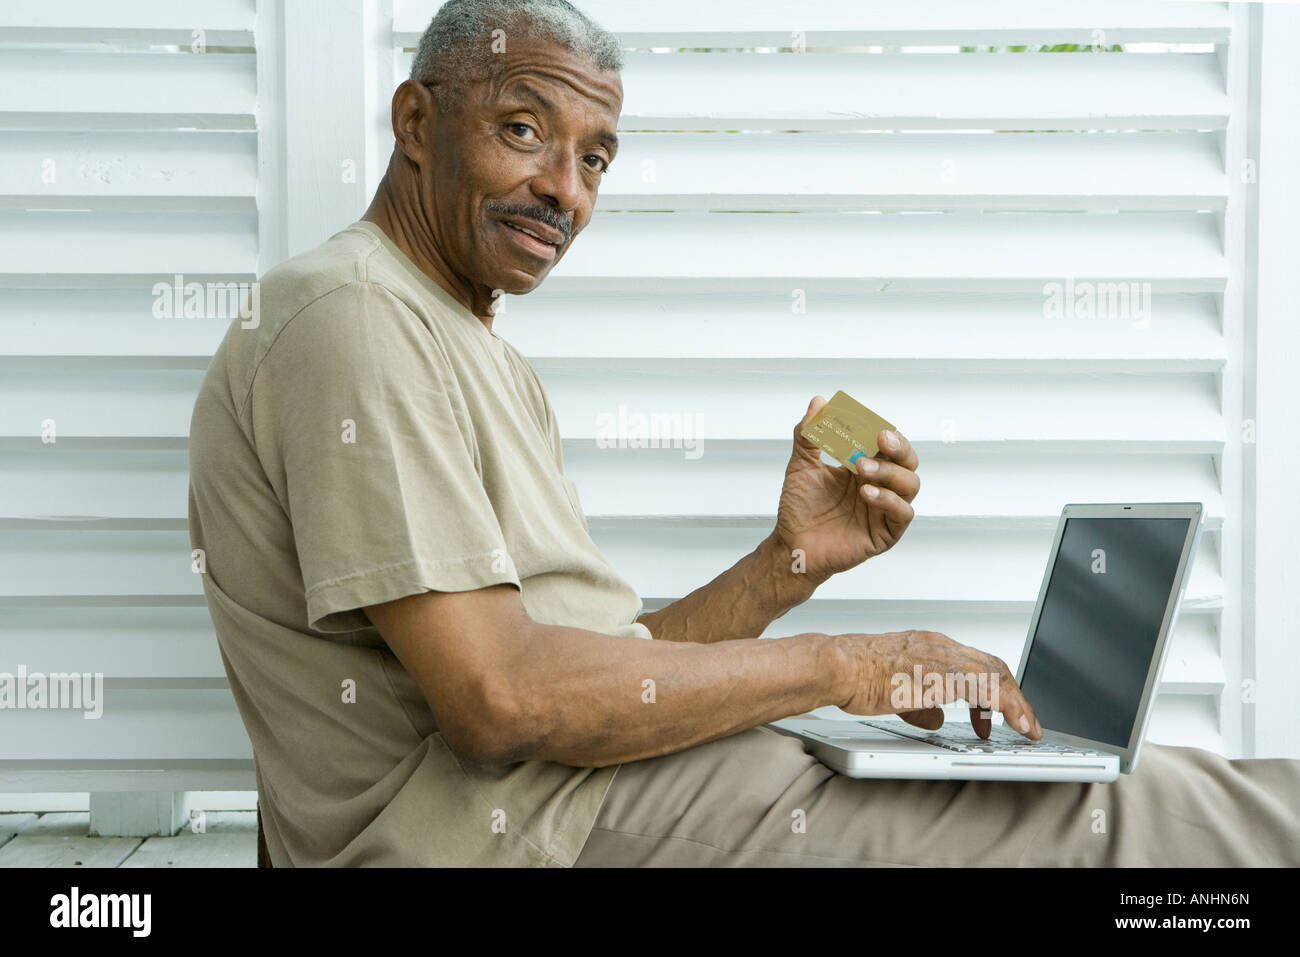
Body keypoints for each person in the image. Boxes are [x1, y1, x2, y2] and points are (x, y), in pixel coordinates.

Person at [188, 0, 1300, 867]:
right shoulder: (352, 319)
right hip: (504, 834)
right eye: (523, 131)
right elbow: (501, 703)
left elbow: (608, 672)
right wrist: (850, 670)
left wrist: (787, 568)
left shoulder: (470, 343)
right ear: (417, 121)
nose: (562, 190)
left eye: (595, 159)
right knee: (1141, 816)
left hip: (568, 798)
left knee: (1107, 795)